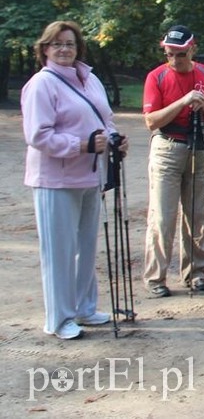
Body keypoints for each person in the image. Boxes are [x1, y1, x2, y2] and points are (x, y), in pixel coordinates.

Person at [22, 20, 130, 340]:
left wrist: (115, 139)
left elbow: (104, 120)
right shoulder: (42, 84)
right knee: (60, 250)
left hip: (90, 175)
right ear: (45, 50)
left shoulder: (89, 78)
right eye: (57, 44)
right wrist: (81, 146)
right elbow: (38, 136)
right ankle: (59, 318)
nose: (65, 49)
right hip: (55, 179)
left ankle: (84, 307)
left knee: (85, 245)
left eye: (69, 43)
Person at [142, 26, 204, 297]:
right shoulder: (157, 76)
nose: (175, 60)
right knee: (163, 216)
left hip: (198, 146)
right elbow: (151, 121)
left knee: (196, 214)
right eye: (170, 54)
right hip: (167, 147)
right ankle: (156, 277)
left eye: (180, 54)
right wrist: (183, 102)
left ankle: (196, 273)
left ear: (192, 49)